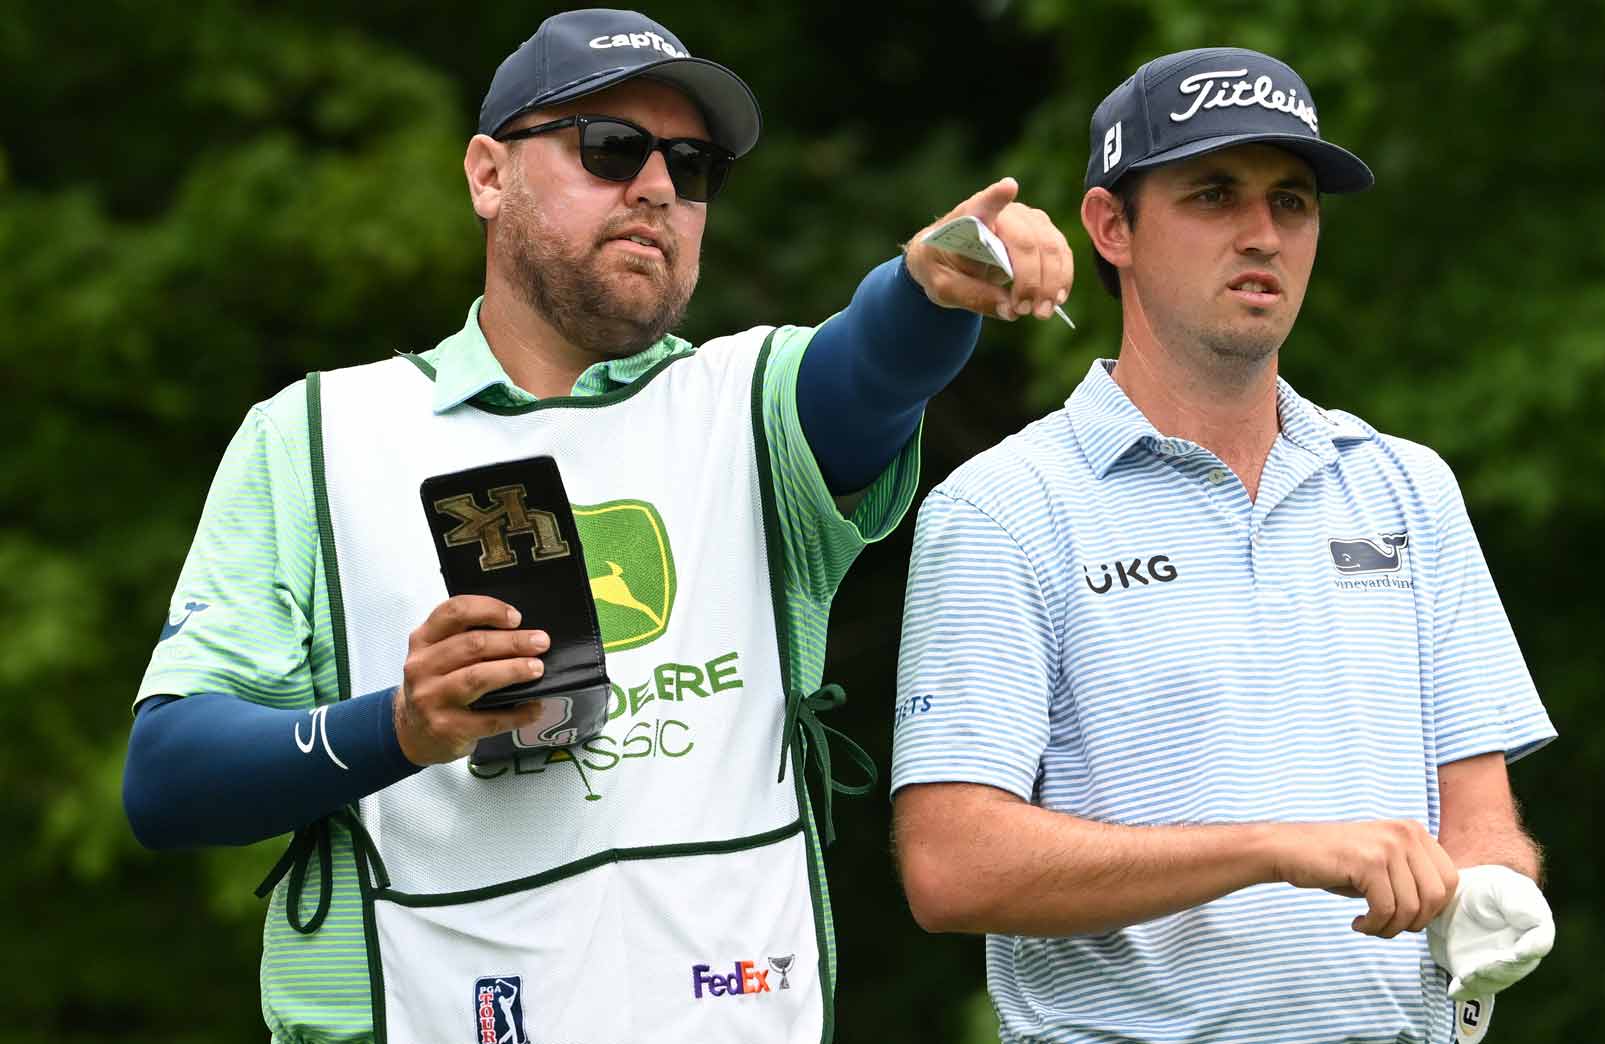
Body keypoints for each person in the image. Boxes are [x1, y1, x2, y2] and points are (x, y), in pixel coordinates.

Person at [120, 9, 1072, 1044]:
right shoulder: (317, 434)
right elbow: (169, 780)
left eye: (691, 165)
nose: (657, 186)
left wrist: (934, 285)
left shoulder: (746, 400)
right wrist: (399, 725)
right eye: (610, 148)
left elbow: (874, 365)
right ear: (489, 175)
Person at [890, 47, 1557, 1044]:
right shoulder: (1004, 505)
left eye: (1290, 203)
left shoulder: (1404, 485)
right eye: (1213, 194)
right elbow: (950, 865)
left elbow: (1479, 815)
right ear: (1111, 227)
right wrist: (1270, 849)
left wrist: (1493, 889)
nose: (1261, 234)